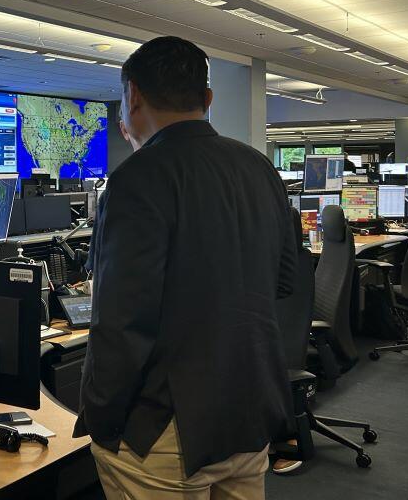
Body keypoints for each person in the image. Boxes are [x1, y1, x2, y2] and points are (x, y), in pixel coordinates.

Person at [75, 36, 296, 500]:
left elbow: (120, 324)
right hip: (248, 410)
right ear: (208, 99)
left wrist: (100, 418)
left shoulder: (136, 179)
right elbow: (282, 282)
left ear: (132, 96)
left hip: (166, 429)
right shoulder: (261, 169)